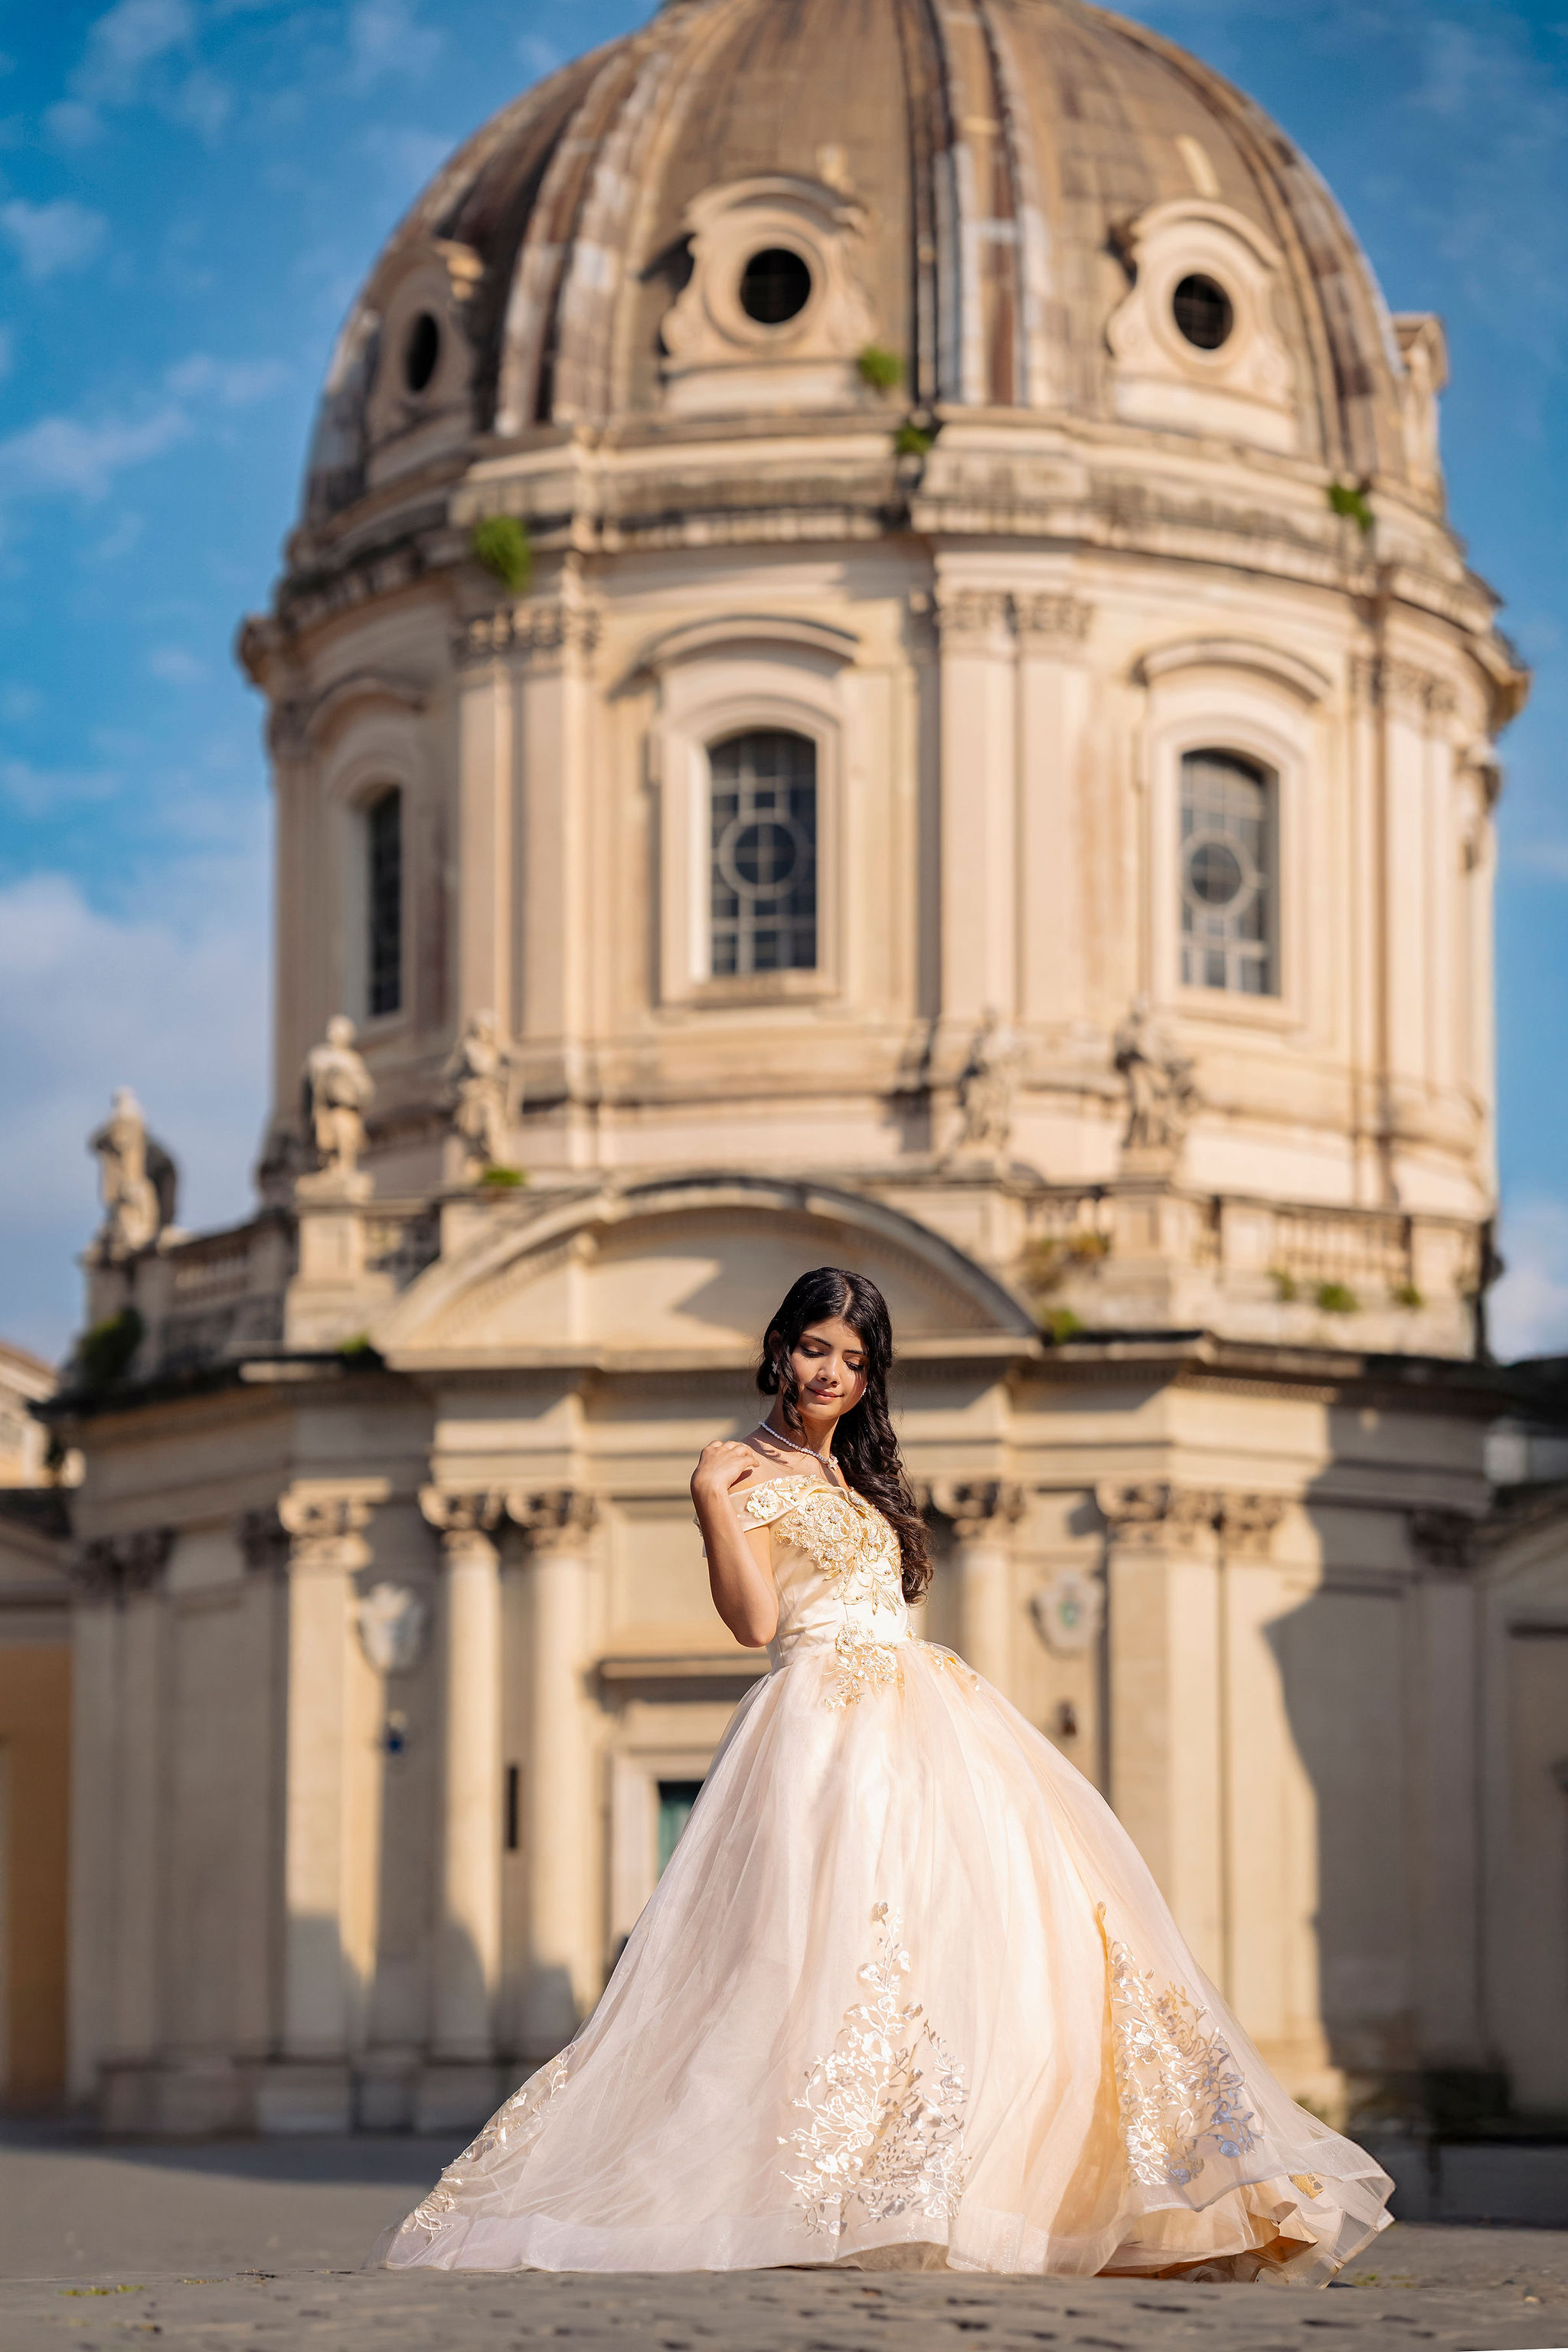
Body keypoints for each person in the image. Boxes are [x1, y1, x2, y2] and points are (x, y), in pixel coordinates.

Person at [379, 1267, 1391, 2281]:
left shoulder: (861, 1475)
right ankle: (819, 2189)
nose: (831, 1373)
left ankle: (1047, 2186)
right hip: (821, 1721)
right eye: (817, 1348)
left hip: (929, 1713)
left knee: (1009, 1929)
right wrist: (708, 1503)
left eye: (855, 1361)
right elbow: (752, 1624)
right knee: (818, 1945)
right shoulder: (735, 1465)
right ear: (781, 1345)